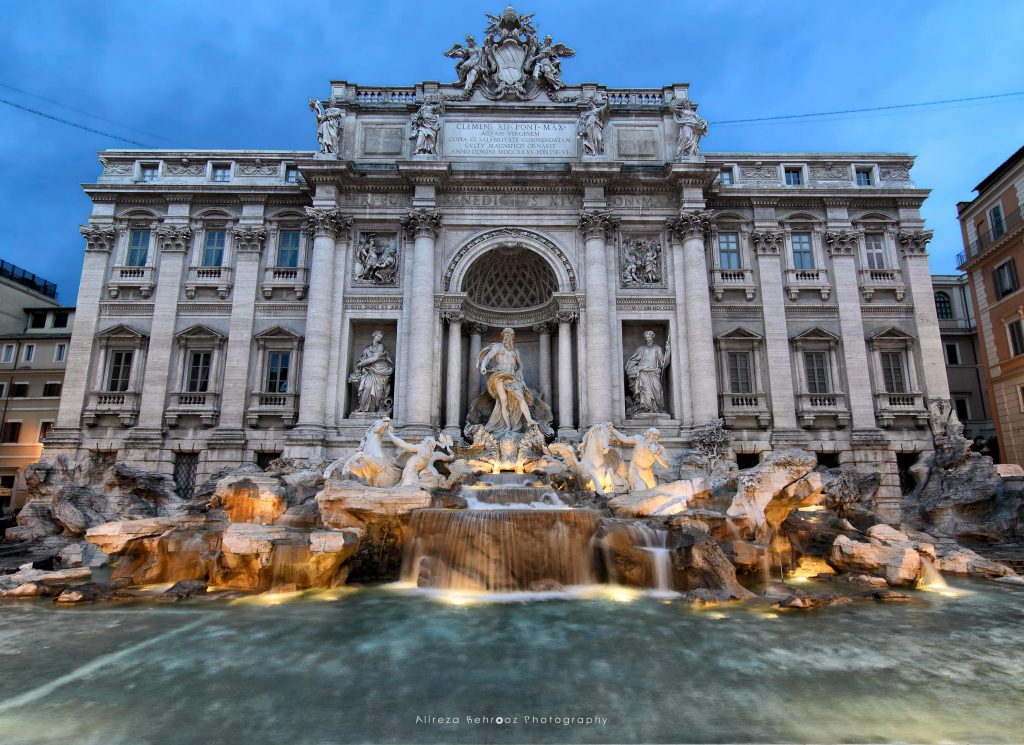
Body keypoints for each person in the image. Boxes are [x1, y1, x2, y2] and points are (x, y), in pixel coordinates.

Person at [477, 328, 536, 433]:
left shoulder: (515, 351)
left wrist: (520, 376)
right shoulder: (498, 347)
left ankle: (529, 420)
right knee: (503, 401)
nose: (507, 337)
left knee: (520, 397)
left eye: (509, 335)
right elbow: (488, 356)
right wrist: (483, 366)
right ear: (502, 336)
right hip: (500, 376)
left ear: (513, 337)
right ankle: (508, 426)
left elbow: (520, 365)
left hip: (513, 377)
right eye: (505, 335)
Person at [625, 331, 670, 415]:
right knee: (645, 391)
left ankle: (657, 408)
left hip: (654, 373)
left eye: (648, 337)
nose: (647, 339)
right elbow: (632, 361)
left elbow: (662, 363)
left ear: (652, 337)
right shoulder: (641, 349)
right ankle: (646, 409)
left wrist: (668, 351)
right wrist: (637, 368)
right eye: (646, 338)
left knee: (657, 389)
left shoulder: (657, 348)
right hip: (643, 372)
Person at [349, 331, 394, 413]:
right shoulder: (367, 348)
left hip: (380, 371)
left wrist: (360, 364)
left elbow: (375, 358)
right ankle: (363, 407)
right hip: (369, 371)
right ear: (374, 336)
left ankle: (376, 408)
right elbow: (363, 358)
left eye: (380, 338)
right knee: (367, 387)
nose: (379, 339)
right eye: (378, 337)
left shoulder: (380, 346)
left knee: (379, 391)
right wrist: (360, 366)